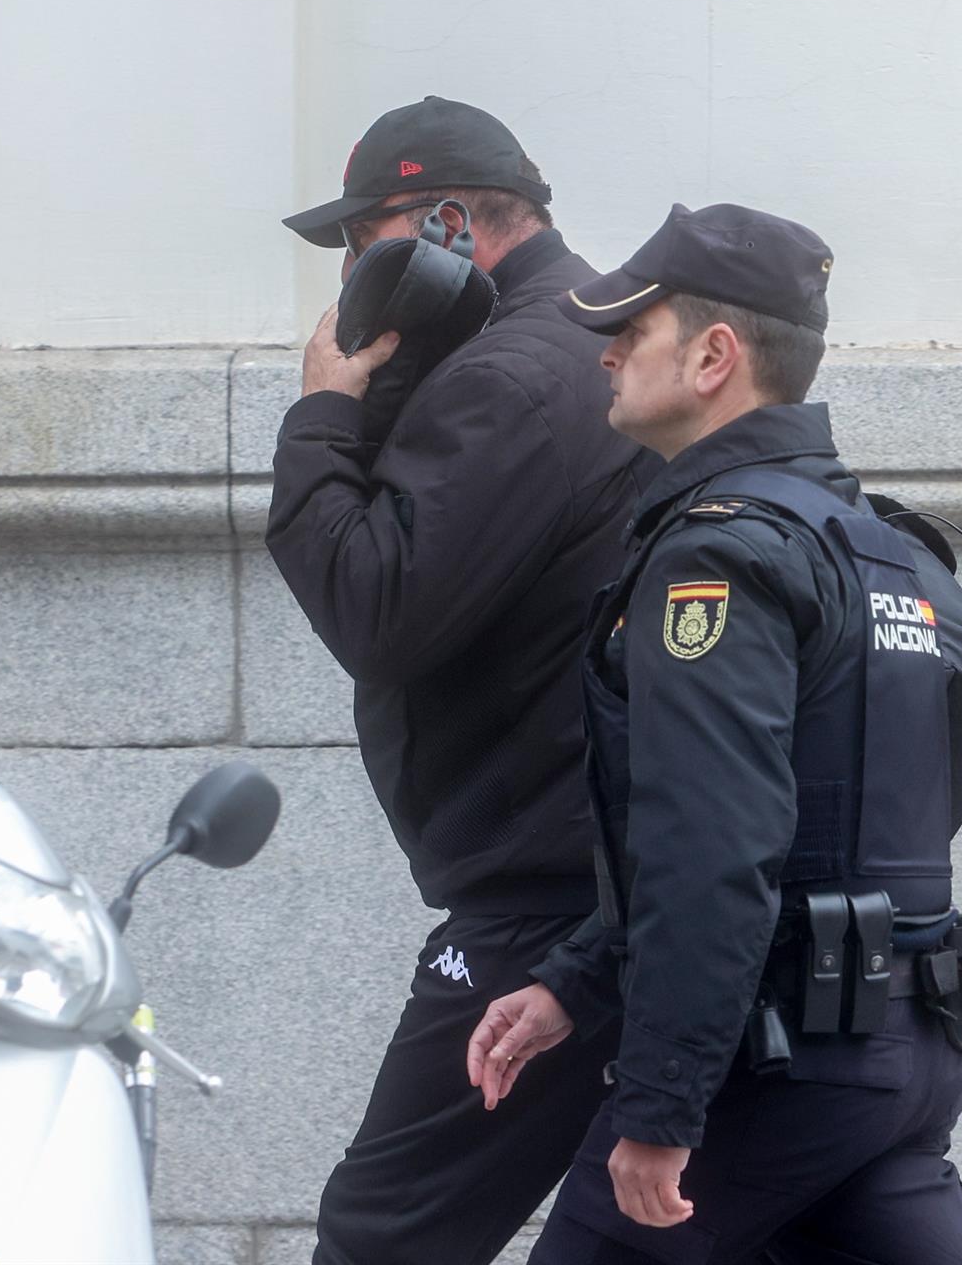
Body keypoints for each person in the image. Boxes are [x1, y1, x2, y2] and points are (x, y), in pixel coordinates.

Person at [463, 202, 962, 1262]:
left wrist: (662, 1104)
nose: (609, 347)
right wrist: (573, 981)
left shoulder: (716, 559)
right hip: (902, 1048)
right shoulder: (880, 547)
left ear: (715, 354)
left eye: (635, 324)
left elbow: (712, 845)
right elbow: (886, 786)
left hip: (775, 1066)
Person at [268, 96, 651, 1265]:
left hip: (542, 903)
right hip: (614, 878)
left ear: (442, 224)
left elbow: (376, 606)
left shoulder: (514, 376)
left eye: (359, 240)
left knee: (386, 1228)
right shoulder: (588, 339)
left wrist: (326, 406)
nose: (346, 276)